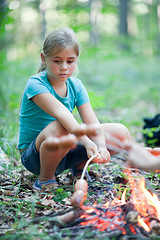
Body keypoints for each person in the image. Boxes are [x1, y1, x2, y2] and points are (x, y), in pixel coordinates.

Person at [18, 27, 131, 191]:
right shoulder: (35, 84)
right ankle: (45, 179)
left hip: (64, 150)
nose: (64, 67)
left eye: (70, 61)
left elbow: (91, 122)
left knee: (120, 132)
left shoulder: (76, 86)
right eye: (57, 61)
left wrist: (101, 146)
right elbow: (62, 114)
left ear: (76, 60)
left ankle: (79, 166)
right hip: (35, 157)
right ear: (44, 58)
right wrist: (86, 142)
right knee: (61, 125)